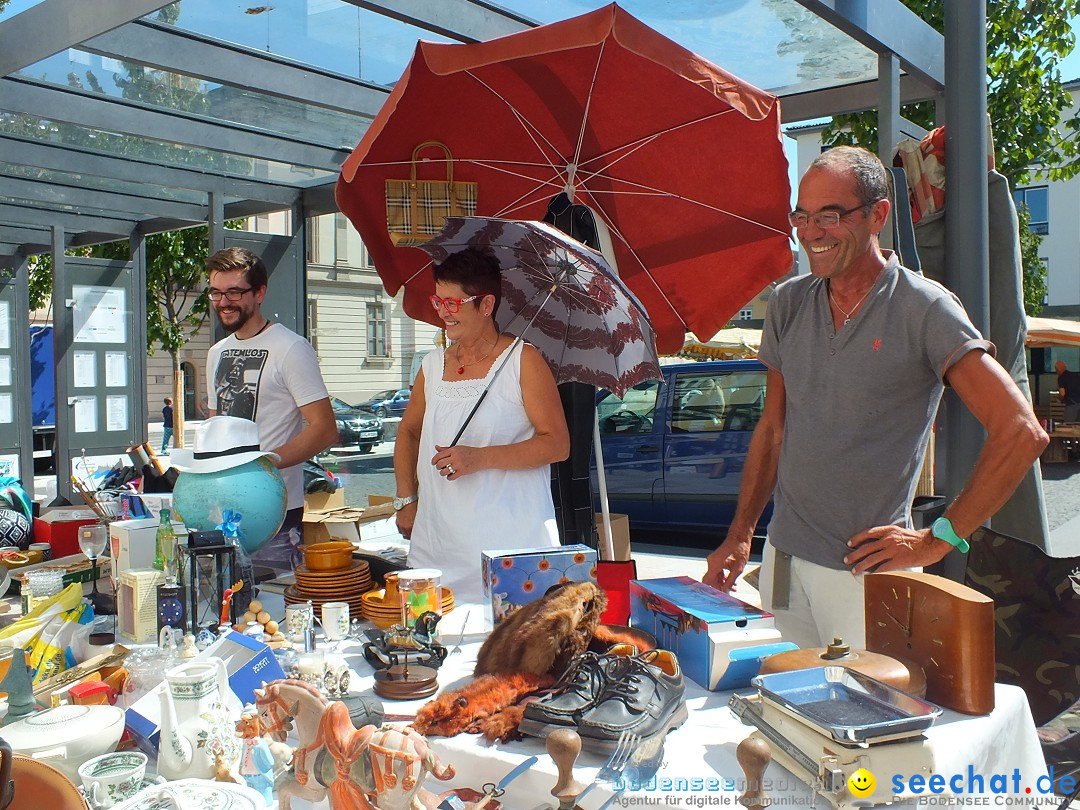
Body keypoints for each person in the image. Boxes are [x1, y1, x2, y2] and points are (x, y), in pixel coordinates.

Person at [702, 146, 1048, 648]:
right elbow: (774, 431)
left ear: (878, 215)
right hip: (782, 558)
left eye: (831, 215)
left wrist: (937, 541)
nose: (811, 231)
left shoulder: (925, 308)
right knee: (786, 712)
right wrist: (739, 536)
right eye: (803, 215)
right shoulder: (787, 303)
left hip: (864, 574)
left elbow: (1022, 431)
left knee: (866, 719)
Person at [393, 248, 570, 603]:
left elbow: (557, 445)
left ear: (486, 305)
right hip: (438, 541)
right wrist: (405, 499)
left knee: (510, 651)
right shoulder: (432, 363)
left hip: (509, 544)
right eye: (438, 301)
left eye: (453, 303)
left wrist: (480, 458)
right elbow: (409, 432)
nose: (443, 312)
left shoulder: (524, 360)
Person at [205, 247, 338, 573]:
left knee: (275, 609)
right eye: (216, 293)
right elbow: (215, 428)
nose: (223, 302)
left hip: (274, 513)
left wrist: (264, 462)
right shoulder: (216, 353)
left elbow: (324, 428)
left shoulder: (290, 348)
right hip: (222, 511)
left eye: (234, 292)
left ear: (260, 292)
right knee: (228, 613)